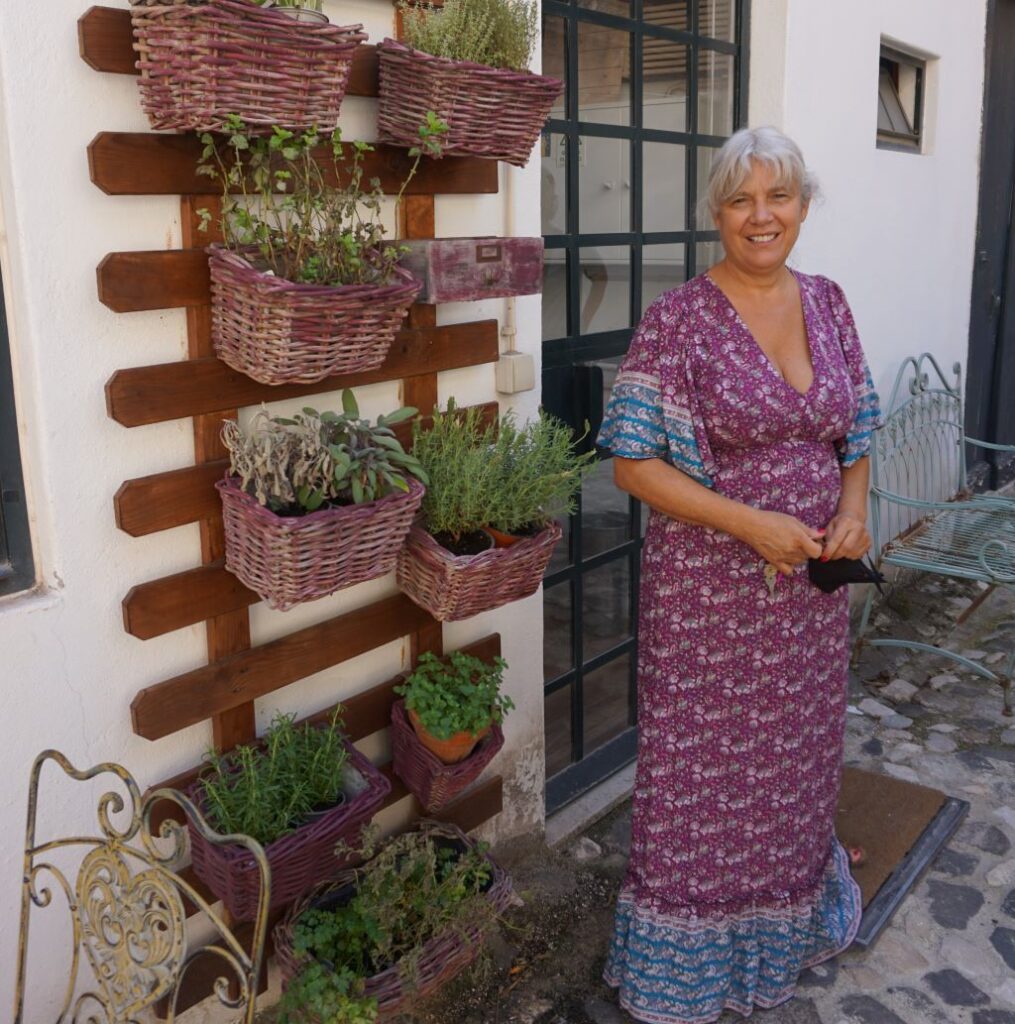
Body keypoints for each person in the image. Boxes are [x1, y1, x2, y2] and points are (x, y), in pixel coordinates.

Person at [596, 126, 883, 1023]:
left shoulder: (829, 303)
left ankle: (785, 919)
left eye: (779, 197)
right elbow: (631, 465)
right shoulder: (677, 320)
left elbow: (858, 427)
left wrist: (852, 508)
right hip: (709, 600)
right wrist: (751, 524)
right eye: (739, 200)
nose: (761, 216)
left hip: (807, 601)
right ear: (715, 213)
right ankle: (684, 965)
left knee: (794, 764)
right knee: (702, 783)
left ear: (802, 206)